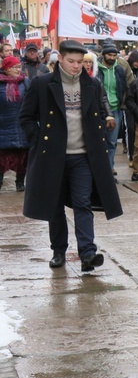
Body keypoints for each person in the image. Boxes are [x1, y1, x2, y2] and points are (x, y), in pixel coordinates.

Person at [19, 40, 122, 271]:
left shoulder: (92, 84)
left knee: (82, 203)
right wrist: (39, 141)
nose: (76, 66)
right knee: (54, 206)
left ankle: (87, 253)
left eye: (80, 62)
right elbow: (25, 117)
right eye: (71, 61)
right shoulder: (42, 83)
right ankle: (58, 251)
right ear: (61, 60)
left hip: (83, 157)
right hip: (52, 157)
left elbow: (96, 115)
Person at [0, 56, 30, 191]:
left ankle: (20, 183)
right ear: (6, 69)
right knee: (2, 158)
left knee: (23, 157)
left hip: (22, 126)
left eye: (19, 67)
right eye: (14, 67)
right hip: (3, 126)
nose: (18, 70)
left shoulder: (26, 83)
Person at [97, 44, 128, 173]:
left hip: (115, 108)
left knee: (112, 141)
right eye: (109, 55)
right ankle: (101, 168)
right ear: (104, 55)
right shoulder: (96, 69)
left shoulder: (119, 70)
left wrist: (123, 103)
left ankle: (109, 169)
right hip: (100, 109)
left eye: (114, 55)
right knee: (99, 141)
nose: (112, 57)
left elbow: (124, 87)